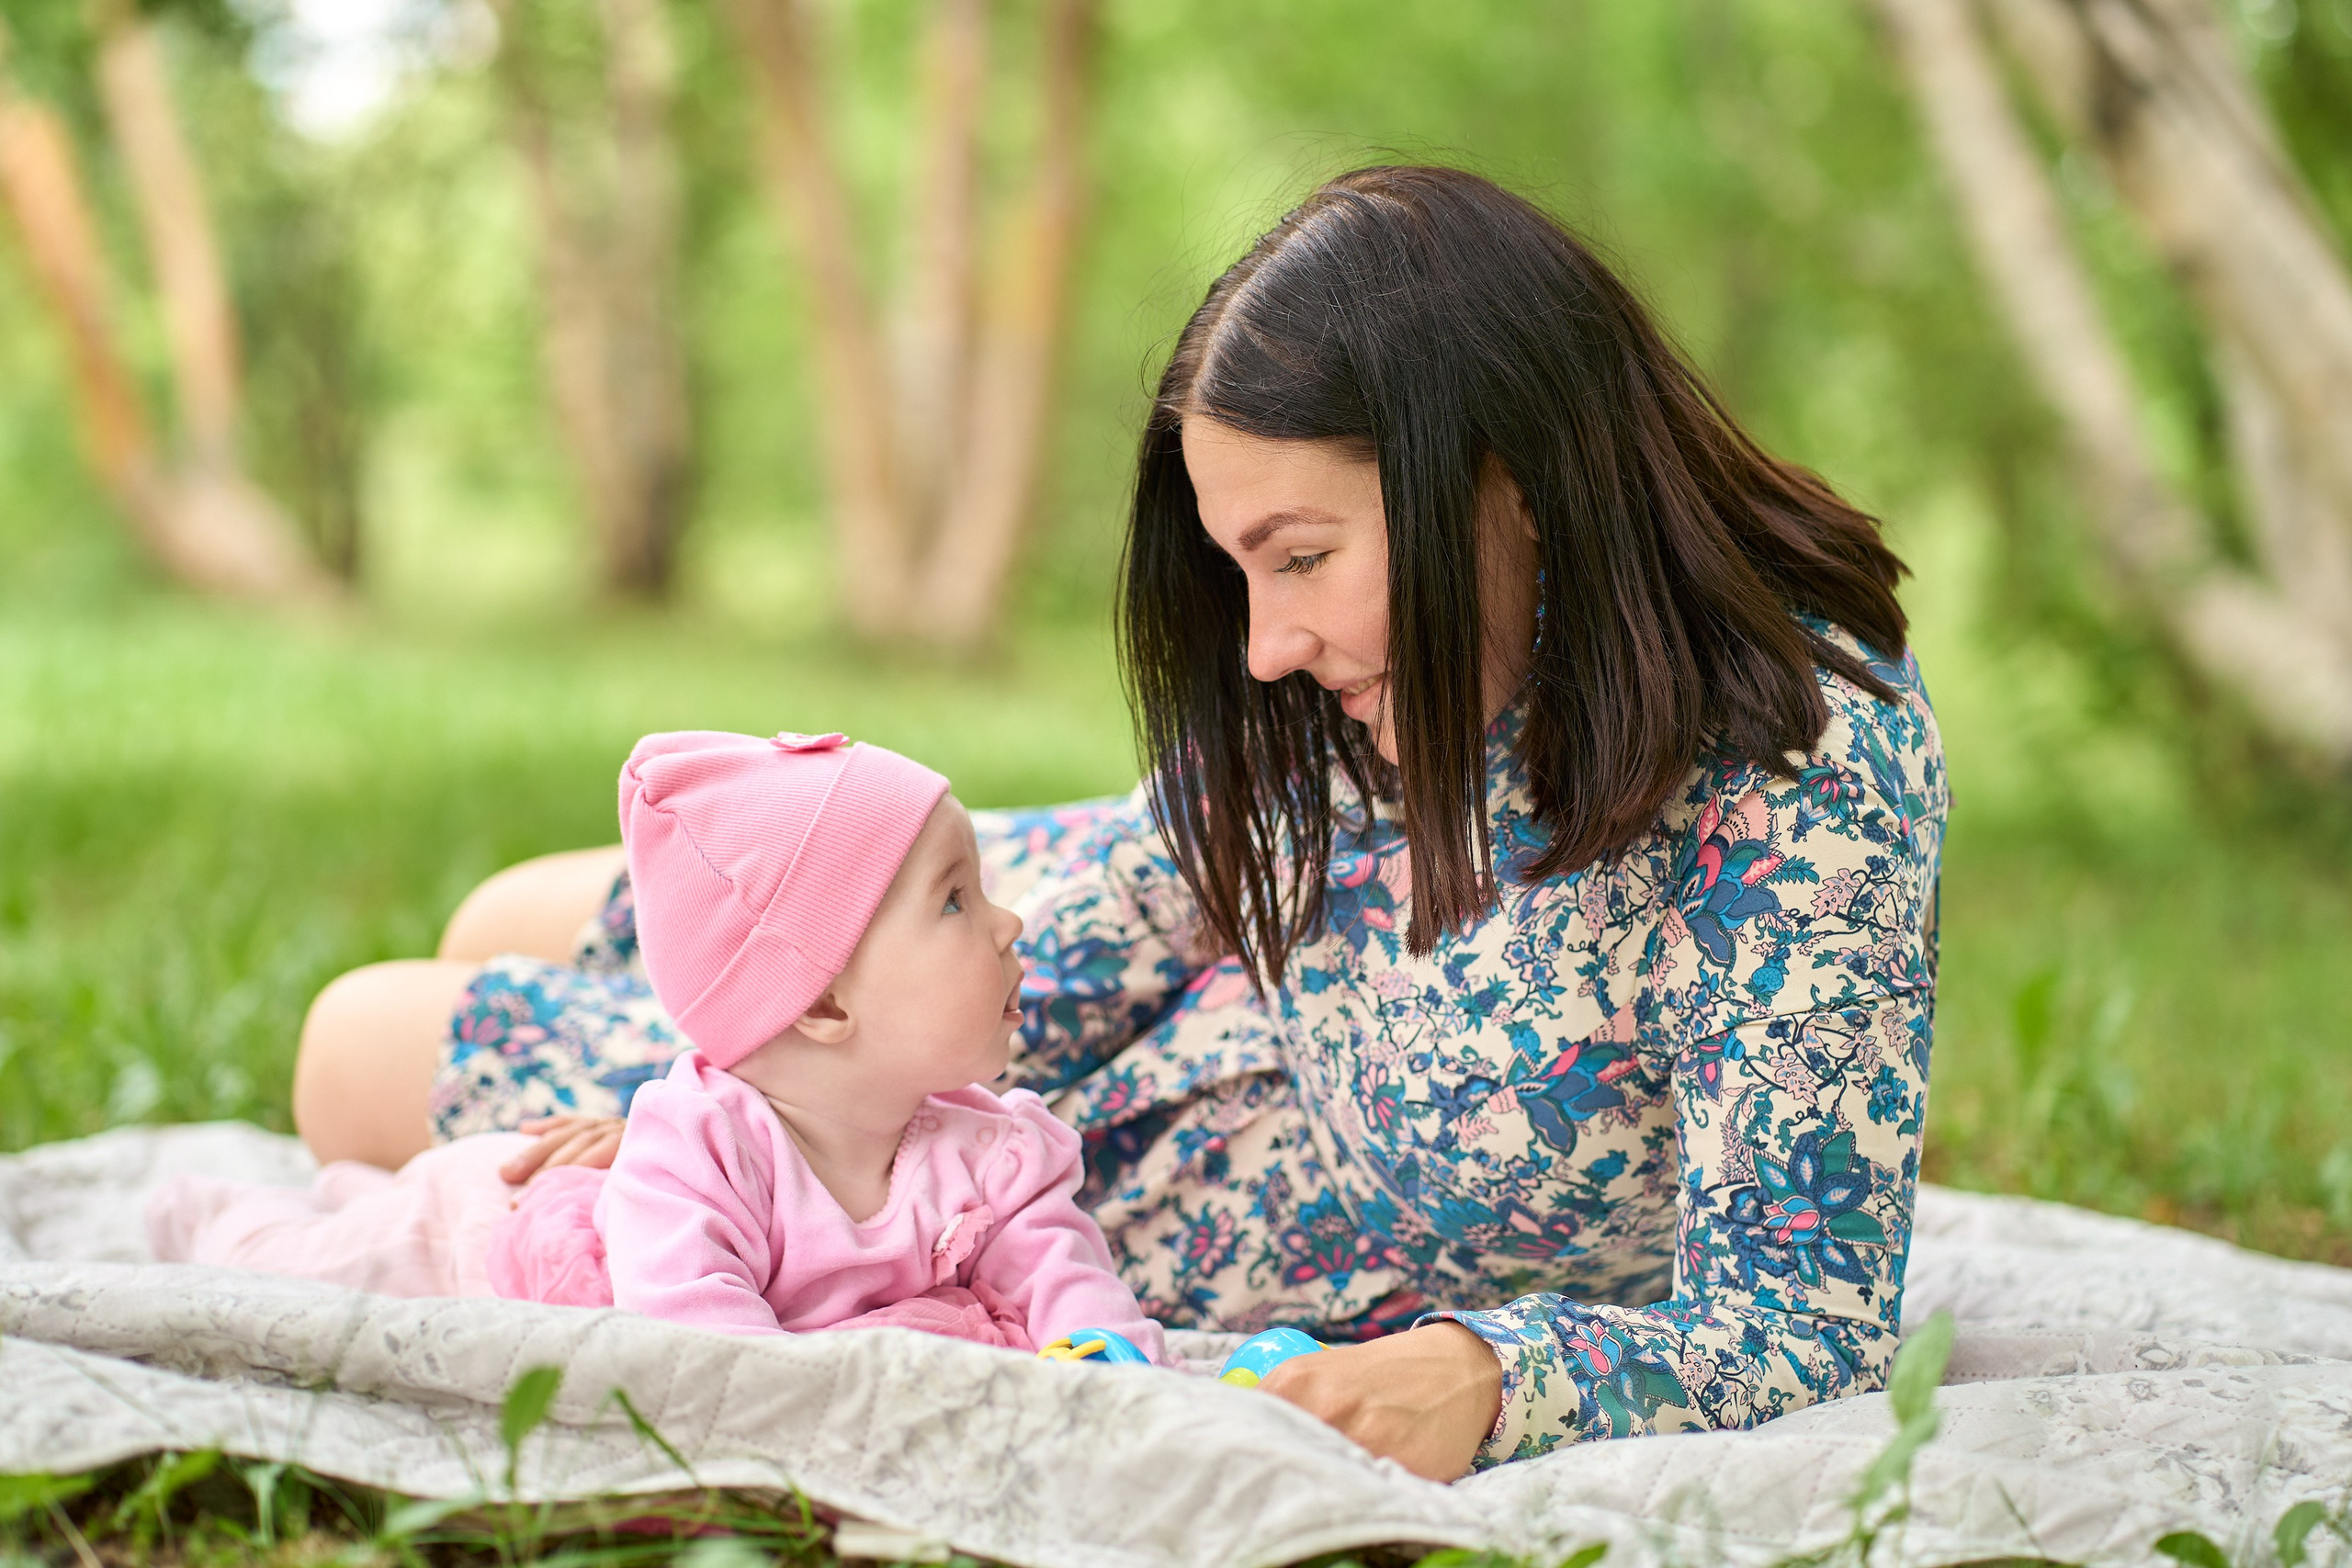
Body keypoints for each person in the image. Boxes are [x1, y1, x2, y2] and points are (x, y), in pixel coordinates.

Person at [288, 165, 1946, 1479]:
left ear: (1504, 472)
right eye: (1243, 571)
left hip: (1196, 1179)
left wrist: (1490, 1373)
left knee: (357, 1051)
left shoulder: (1801, 779)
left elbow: (1796, 1313)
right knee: (501, 918)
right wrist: (715, 1097)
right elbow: (1088, 949)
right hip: (1050, 963)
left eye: (1301, 556)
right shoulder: (1325, 692)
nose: (1265, 647)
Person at [157, 729, 1163, 1361]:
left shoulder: (997, 1154)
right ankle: (211, 1216)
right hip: (497, 1240)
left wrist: (1106, 1352)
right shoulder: (705, 1141)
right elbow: (693, 1346)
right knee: (330, 1257)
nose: (1010, 925)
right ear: (820, 1007)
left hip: (599, 1217)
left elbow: (1065, 1275)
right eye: (956, 900)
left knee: (353, 1217)